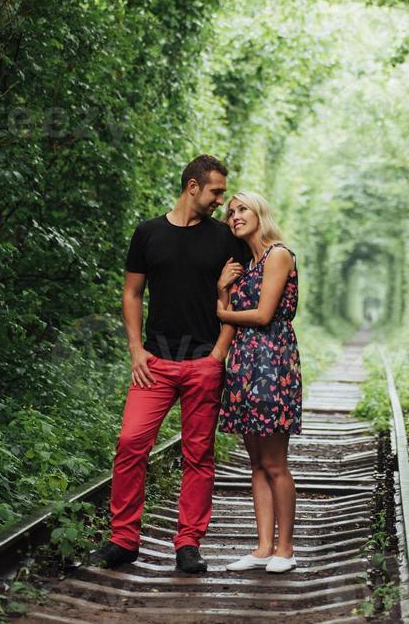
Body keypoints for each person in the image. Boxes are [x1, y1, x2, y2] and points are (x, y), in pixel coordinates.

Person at [91, 155, 248, 575]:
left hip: (203, 362)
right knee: (129, 444)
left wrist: (219, 354)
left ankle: (188, 544)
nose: (221, 200)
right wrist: (136, 350)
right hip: (154, 363)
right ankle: (124, 540)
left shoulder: (224, 240)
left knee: (199, 455)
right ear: (192, 187)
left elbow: (237, 298)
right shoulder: (148, 233)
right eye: (216, 191)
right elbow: (131, 293)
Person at [215, 191, 302, 574]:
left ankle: (286, 549)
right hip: (244, 364)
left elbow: (264, 314)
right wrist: (222, 288)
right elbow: (231, 314)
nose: (234, 216)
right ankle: (263, 547)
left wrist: (221, 309)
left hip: (271, 363)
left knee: (275, 462)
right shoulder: (244, 265)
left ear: (260, 211)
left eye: (242, 209)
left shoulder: (278, 254)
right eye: (230, 212)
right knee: (255, 463)